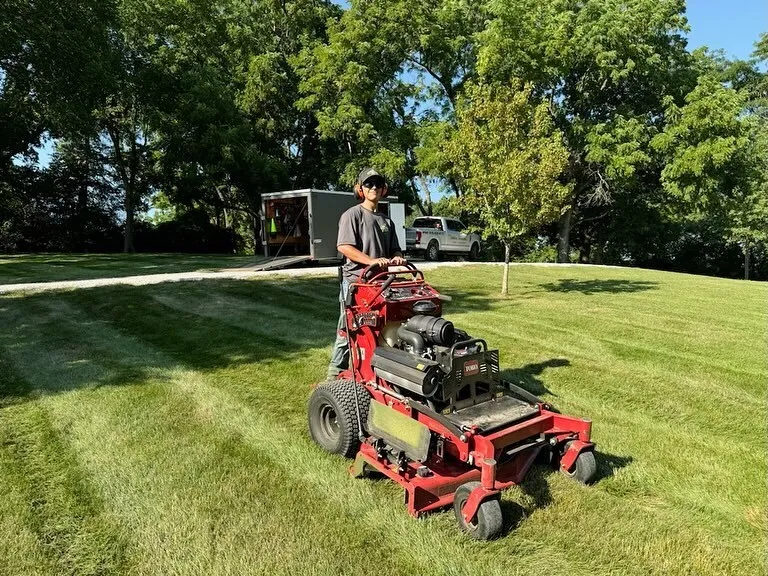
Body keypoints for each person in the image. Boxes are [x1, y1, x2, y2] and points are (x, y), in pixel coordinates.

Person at [327, 167, 406, 379]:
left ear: (383, 190)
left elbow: (394, 249)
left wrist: (397, 256)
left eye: (378, 184)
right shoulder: (352, 215)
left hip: (382, 284)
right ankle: (334, 376)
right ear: (360, 189)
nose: (373, 188)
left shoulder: (386, 221)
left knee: (383, 328)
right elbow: (344, 246)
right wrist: (371, 261)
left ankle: (376, 371)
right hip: (356, 284)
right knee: (348, 330)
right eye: (369, 184)